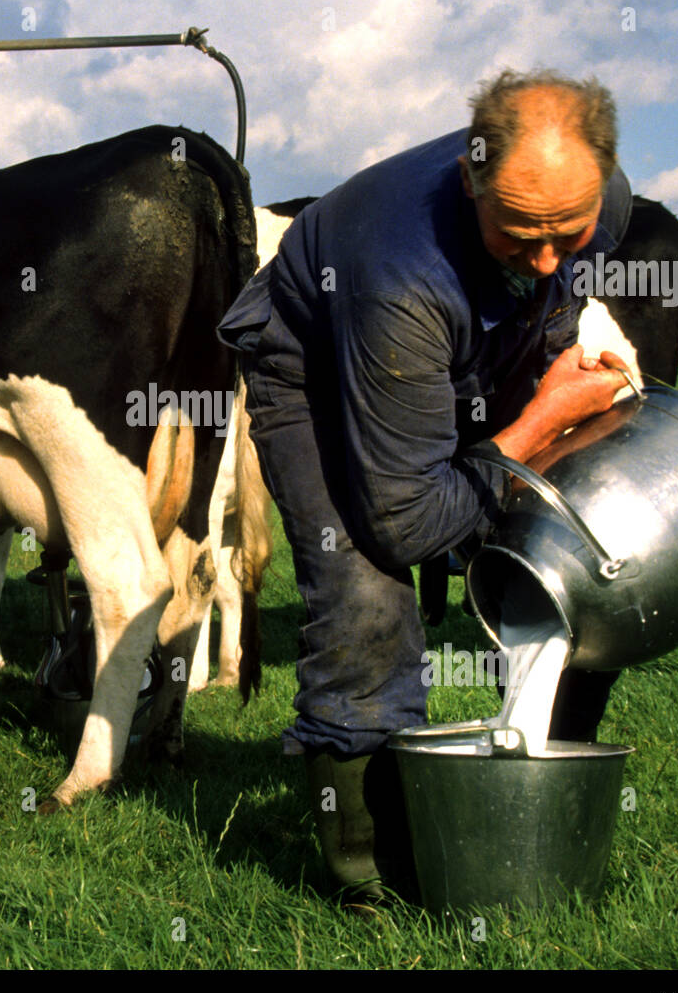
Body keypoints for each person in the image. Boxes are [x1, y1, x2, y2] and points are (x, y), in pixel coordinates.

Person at [217, 69, 634, 908]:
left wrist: (557, 367)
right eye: (520, 233)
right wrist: (542, 417)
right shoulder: (399, 276)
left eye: (570, 232)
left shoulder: (598, 198)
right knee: (365, 589)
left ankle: (539, 794)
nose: (550, 258)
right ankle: (369, 871)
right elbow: (408, 522)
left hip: (481, 346)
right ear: (471, 180)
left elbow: (554, 275)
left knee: (583, 552)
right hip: (322, 362)